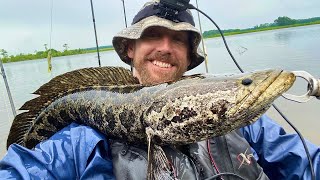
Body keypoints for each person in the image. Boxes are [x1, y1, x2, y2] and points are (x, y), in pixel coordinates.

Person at [1, 0, 319, 179]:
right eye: (153, 35)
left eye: (179, 39)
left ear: (190, 56)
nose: (166, 48)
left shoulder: (248, 125)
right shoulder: (79, 142)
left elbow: (308, 162)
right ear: (129, 49)